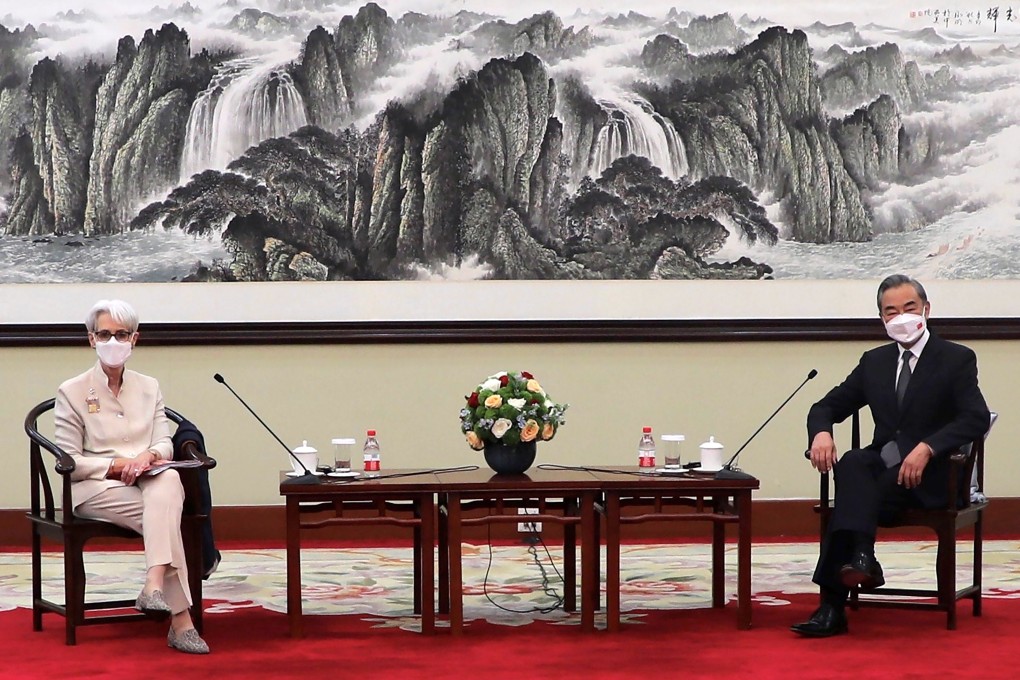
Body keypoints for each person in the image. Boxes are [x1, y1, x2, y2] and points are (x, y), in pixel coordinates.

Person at [791, 274, 990, 637]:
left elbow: (975, 417)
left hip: (933, 476)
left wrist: (928, 447)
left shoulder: (956, 358)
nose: (901, 317)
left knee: (852, 496)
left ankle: (832, 606)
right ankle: (863, 558)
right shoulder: (874, 362)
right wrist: (821, 432)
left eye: (909, 308)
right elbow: (826, 406)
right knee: (853, 462)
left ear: (926, 310)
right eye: (891, 311)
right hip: (884, 471)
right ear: (882, 319)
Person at [54, 299, 210, 654]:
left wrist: (150, 456)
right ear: (91, 339)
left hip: (149, 479)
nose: (113, 341)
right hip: (95, 488)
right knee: (166, 518)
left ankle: (154, 584)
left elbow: (163, 441)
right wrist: (115, 466)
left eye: (121, 334)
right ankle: (181, 621)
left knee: (168, 481)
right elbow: (69, 462)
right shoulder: (72, 390)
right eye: (105, 334)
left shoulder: (149, 386)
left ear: (135, 339)